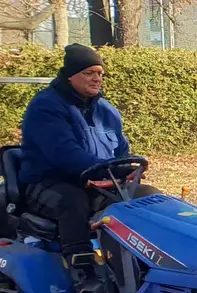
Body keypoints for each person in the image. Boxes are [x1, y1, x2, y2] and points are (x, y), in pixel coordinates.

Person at [17, 43, 158, 265]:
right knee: (73, 201)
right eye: (89, 73)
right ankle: (82, 270)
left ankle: (145, 264)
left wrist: (126, 172)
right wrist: (107, 171)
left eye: (100, 73)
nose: (96, 78)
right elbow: (64, 154)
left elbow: (121, 150)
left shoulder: (107, 110)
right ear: (71, 76)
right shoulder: (45, 107)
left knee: (149, 198)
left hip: (102, 181)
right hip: (49, 182)